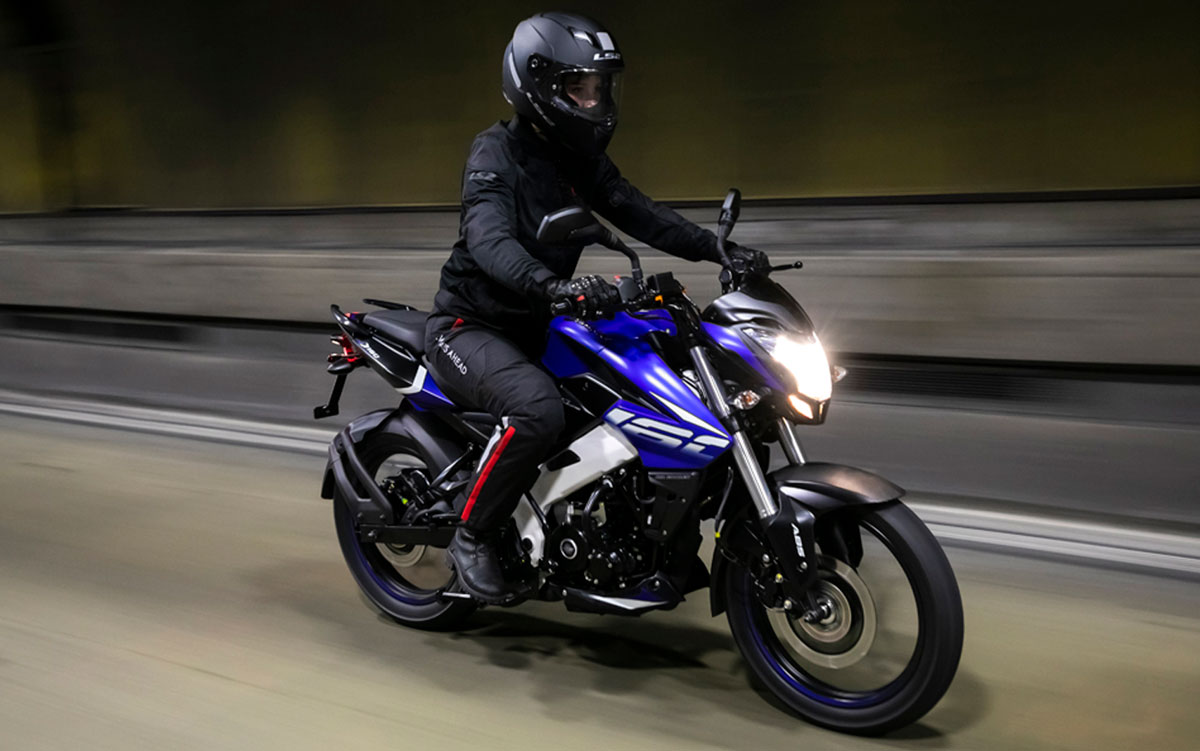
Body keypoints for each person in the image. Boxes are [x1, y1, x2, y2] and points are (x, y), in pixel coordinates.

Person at [425, 11, 768, 603]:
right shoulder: (495, 154)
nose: (594, 102)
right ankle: (472, 535)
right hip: (471, 326)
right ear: (537, 87)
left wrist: (719, 250)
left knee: (638, 388)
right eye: (579, 89)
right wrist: (550, 286)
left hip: (542, 322)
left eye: (599, 89)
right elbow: (488, 239)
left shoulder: (579, 160)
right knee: (538, 411)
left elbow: (640, 212)